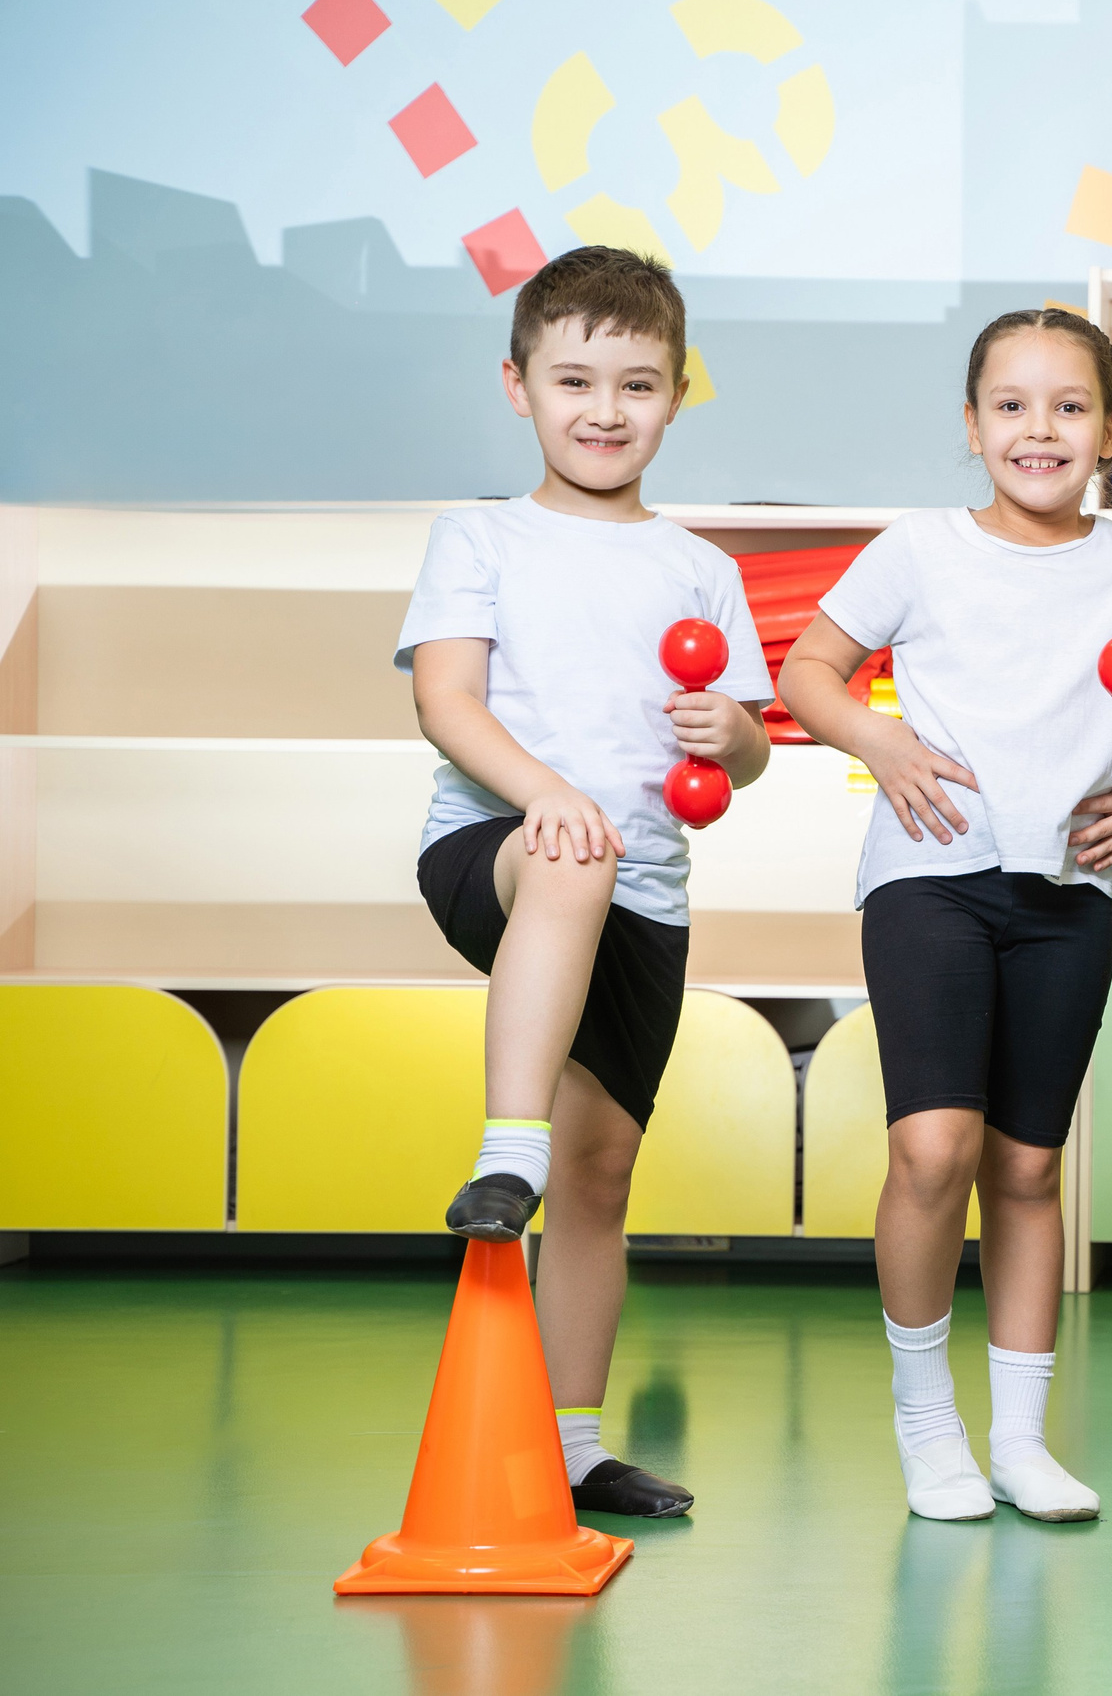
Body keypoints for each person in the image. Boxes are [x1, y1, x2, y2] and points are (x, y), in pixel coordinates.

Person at [778, 308, 1112, 1523]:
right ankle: (927, 1425)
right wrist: (881, 738)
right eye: (1011, 406)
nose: (1039, 429)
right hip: (929, 877)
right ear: (971, 427)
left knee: (1026, 1164)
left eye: (1069, 406)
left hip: (1068, 893)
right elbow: (808, 671)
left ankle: (1018, 1438)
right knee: (933, 1149)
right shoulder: (919, 549)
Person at [401, 246, 771, 1518]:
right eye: (574, 381)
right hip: (497, 856)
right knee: (576, 854)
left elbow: (754, 744)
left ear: (675, 397)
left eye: (637, 384)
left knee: (604, 1170)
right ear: (519, 387)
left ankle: (570, 1448)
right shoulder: (481, 535)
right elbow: (446, 699)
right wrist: (547, 791)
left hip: (645, 895)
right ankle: (508, 1153)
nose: (604, 411)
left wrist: (740, 740)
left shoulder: (701, 568)